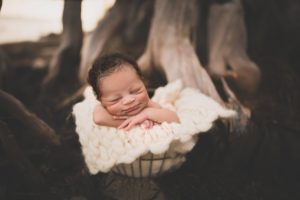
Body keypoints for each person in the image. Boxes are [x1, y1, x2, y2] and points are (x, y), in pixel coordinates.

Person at [87, 53, 180, 131]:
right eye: (116, 99)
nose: (129, 100)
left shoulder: (148, 106)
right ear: (102, 102)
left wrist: (147, 114)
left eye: (136, 91)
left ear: (143, 83)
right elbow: (98, 119)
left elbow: (175, 119)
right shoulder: (103, 109)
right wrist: (134, 122)